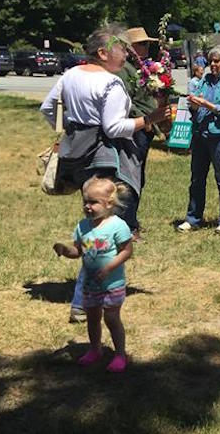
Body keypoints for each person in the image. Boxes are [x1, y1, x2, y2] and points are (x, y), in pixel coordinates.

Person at [40, 25, 169, 322]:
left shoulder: (70, 75)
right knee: (104, 234)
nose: (126, 54)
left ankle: (89, 292)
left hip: (76, 157)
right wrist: (148, 120)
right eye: (121, 48)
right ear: (102, 53)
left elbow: (48, 109)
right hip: (102, 160)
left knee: (94, 229)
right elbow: (113, 128)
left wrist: (71, 132)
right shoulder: (110, 84)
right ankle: (84, 300)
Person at [53, 175, 134, 373]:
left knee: (112, 319)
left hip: (112, 285)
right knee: (92, 318)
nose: (88, 206)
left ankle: (120, 354)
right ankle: (95, 350)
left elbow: (127, 250)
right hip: (90, 285)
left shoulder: (117, 225)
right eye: (85, 202)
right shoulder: (83, 227)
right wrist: (65, 250)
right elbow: (78, 252)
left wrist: (108, 268)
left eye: (93, 202)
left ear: (108, 204)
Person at [178, 47, 220, 234]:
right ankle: (193, 219)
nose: (212, 65)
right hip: (201, 135)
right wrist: (193, 104)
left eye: (217, 61)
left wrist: (209, 105)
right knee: (197, 178)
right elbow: (196, 105)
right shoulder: (205, 80)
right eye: (211, 61)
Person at [116, 26, 163, 237]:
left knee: (139, 176)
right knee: (130, 177)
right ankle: (127, 226)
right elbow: (125, 101)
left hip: (147, 126)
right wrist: (144, 120)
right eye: (142, 44)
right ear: (131, 47)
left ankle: (131, 220)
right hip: (136, 127)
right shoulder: (125, 69)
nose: (146, 48)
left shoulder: (143, 67)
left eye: (148, 44)